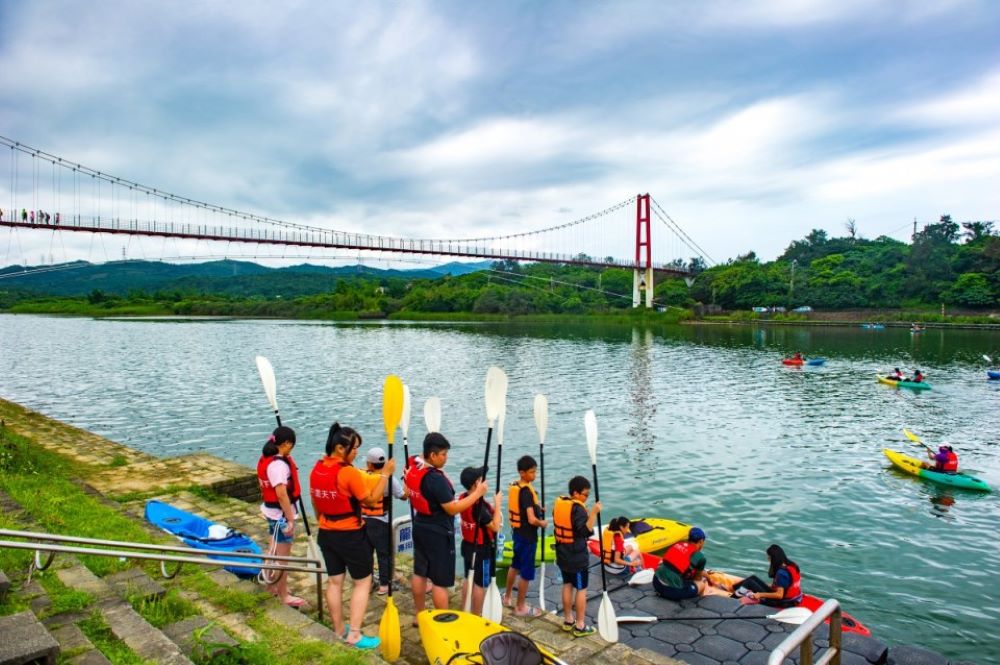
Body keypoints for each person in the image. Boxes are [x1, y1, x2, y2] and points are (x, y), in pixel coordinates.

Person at [311, 423, 391, 651]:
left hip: (326, 533)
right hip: (351, 535)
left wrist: (324, 522)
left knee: (335, 581)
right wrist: (385, 474)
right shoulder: (347, 472)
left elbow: (316, 502)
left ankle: (338, 630)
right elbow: (371, 500)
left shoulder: (316, 468)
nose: (356, 453)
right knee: (362, 582)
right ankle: (354, 634)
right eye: (354, 448)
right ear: (339, 448)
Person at [405, 432, 487, 615]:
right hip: (437, 532)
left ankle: (419, 615)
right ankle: (443, 621)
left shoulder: (413, 465)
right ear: (432, 455)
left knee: (420, 572)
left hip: (419, 525)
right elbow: (452, 509)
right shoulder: (435, 479)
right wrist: (478, 493)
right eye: (443, 454)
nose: (446, 458)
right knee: (439, 581)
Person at [256, 425, 302, 607]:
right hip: (281, 517)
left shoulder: (266, 459)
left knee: (273, 550)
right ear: (287, 444)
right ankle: (284, 596)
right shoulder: (278, 465)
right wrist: (291, 519)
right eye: (292, 445)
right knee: (283, 558)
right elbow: (282, 494)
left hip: (271, 513)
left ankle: (271, 586)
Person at [553, 475, 601, 637]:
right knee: (581, 589)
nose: (586, 498)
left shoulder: (560, 503)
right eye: (585, 495)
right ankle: (580, 625)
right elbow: (585, 531)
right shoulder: (578, 509)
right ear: (575, 493)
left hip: (562, 553)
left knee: (567, 584)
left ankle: (568, 620)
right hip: (577, 557)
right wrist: (593, 513)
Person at [503, 455, 548, 617]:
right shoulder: (527, 492)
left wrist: (538, 508)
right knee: (526, 572)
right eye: (531, 472)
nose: (534, 476)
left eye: (535, 472)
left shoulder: (518, 487)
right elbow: (531, 519)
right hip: (528, 537)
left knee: (515, 565)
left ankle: (507, 597)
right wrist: (542, 523)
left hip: (517, 534)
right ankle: (520, 607)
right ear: (522, 473)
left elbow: (525, 510)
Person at [361, 446, 408, 596]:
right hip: (381, 521)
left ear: (369, 464)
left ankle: (367, 583)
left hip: (362, 520)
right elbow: (403, 496)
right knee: (384, 554)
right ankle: (383, 585)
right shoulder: (389, 479)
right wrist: (407, 480)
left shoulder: (361, 476)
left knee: (366, 553)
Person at [458, 466, 503, 616]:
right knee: (480, 584)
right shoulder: (478, 507)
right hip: (481, 550)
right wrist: (497, 504)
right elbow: (495, 527)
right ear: (475, 485)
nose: (484, 482)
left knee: (467, 578)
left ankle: (464, 609)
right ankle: (477, 615)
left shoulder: (464, 498)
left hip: (468, 546)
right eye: (480, 480)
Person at [735, 544, 803, 608]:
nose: (768, 559)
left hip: (782, 602)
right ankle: (734, 588)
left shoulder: (781, 573)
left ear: (774, 558)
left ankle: (733, 597)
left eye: (769, 557)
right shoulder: (792, 565)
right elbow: (787, 585)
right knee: (753, 578)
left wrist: (759, 594)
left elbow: (779, 595)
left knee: (750, 582)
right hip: (792, 599)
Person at [653, 527, 709, 600]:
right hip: (671, 591)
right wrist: (708, 578)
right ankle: (697, 603)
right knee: (701, 584)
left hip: (656, 583)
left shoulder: (677, 545)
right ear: (701, 541)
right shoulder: (700, 557)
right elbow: (697, 579)